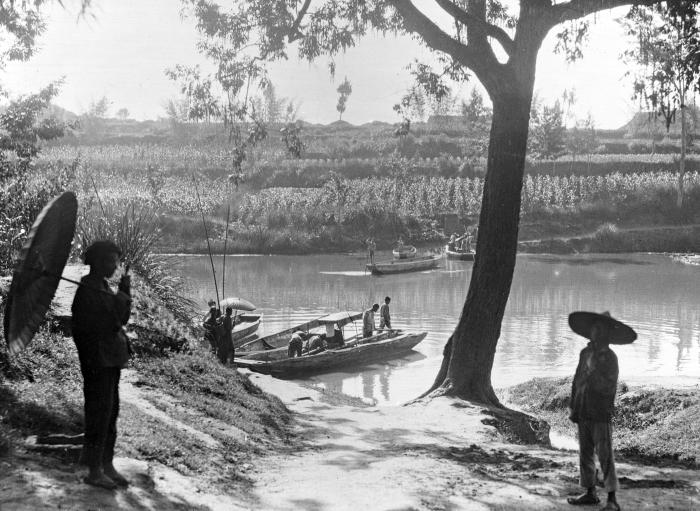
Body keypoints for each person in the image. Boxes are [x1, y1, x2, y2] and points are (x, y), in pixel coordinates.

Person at [71, 240, 132, 490]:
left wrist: (123, 292)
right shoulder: (87, 290)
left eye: (115, 261)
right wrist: (121, 298)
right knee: (99, 413)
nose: (114, 266)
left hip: (110, 360)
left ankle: (106, 464)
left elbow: (120, 318)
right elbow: (105, 325)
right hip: (98, 361)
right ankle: (94, 470)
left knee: (111, 412)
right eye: (109, 261)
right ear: (94, 262)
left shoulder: (102, 287)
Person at [566, 311, 636, 511]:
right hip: (583, 409)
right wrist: (573, 405)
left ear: (606, 333)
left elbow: (609, 387)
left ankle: (612, 499)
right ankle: (590, 492)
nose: (594, 332)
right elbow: (577, 380)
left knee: (605, 454)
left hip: (600, 412)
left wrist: (594, 371)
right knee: (585, 453)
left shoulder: (610, 358)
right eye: (593, 328)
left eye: (599, 329)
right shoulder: (585, 353)